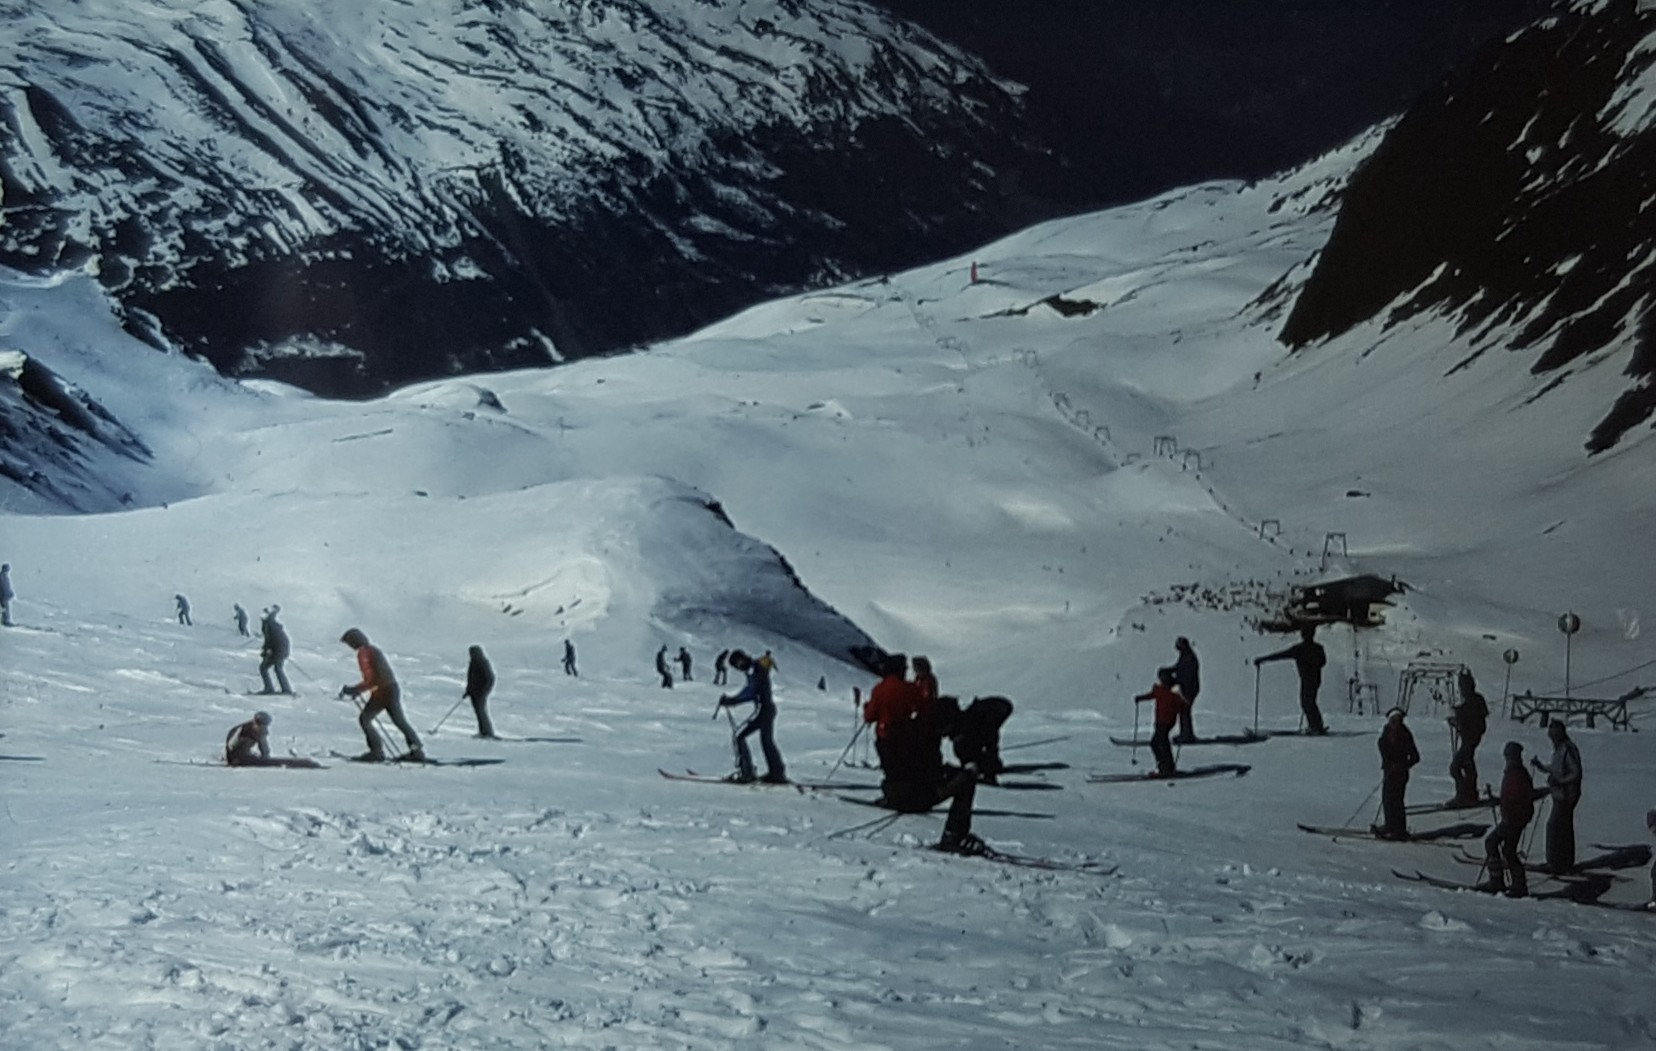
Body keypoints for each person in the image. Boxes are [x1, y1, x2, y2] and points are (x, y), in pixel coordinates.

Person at [862, 653, 987, 855]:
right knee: (961, 779)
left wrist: (869, 709)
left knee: (893, 763)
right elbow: (924, 707)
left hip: (887, 738)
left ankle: (891, 794)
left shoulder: (879, 689)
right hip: (916, 783)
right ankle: (954, 836)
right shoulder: (913, 691)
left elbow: (869, 716)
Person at [339, 628, 423, 762]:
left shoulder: (364, 653)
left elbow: (372, 679)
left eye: (349, 642)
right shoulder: (372, 650)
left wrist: (354, 690)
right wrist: (358, 689)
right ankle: (416, 750)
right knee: (399, 721)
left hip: (383, 691)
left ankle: (376, 751)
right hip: (390, 689)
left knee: (365, 719)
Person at [718, 649, 785, 783]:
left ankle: (748, 772)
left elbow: (750, 692)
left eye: (738, 664)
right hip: (767, 710)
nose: (738, 667)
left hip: (764, 712)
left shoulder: (756, 670)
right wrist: (733, 700)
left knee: (740, 737)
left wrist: (732, 700)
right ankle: (777, 773)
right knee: (767, 741)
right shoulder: (756, 668)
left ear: (742, 659)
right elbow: (751, 691)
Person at [1482, 741, 1536, 897]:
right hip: (1515, 817)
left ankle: (1497, 881)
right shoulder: (1516, 772)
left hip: (1513, 818)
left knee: (1492, 842)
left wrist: (1506, 806)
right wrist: (1498, 800)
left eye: (1509, 756)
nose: (1507, 759)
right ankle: (1518, 884)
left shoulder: (1516, 774)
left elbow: (1517, 797)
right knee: (1508, 850)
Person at [1254, 626, 1328, 734]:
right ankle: (1316, 725)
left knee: (1307, 702)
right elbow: (1323, 662)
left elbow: (1280, 655)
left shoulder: (1299, 649)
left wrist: (1262, 659)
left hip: (1307, 679)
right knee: (1309, 702)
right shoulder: (1318, 648)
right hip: (1315, 679)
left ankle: (1316, 727)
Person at [1531, 720, 1582, 873]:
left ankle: (1555, 862)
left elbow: (1576, 772)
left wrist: (1560, 781)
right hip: (1560, 793)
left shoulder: (1567, 749)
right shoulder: (1561, 749)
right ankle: (1564, 862)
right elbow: (1556, 768)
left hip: (1567, 794)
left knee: (1554, 826)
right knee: (1563, 827)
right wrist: (1541, 766)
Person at [1373, 707, 1420, 840]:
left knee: (1396, 801)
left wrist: (1402, 766)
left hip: (1400, 774)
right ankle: (1390, 825)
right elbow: (1383, 748)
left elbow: (1415, 757)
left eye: (1397, 720)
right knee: (1387, 800)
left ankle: (1399, 829)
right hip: (1389, 772)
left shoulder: (1405, 735)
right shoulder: (1386, 732)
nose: (1395, 723)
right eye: (1393, 720)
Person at [943, 695, 1014, 783]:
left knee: (986, 740)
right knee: (975, 744)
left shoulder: (977, 725)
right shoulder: (967, 727)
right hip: (993, 710)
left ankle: (990, 767)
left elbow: (990, 738)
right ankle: (989, 766)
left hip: (996, 709)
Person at [1133, 667, 1189, 777]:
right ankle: (1168, 767)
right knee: (1161, 743)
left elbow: (1183, 706)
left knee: (1157, 743)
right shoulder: (1163, 690)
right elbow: (1151, 695)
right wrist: (1140, 698)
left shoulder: (1172, 692)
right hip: (1161, 721)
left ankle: (1165, 768)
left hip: (1166, 722)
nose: (1162, 679)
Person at [1447, 669, 1489, 805]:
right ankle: (1469, 794)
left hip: (1470, 740)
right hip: (1470, 739)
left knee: (1456, 767)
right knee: (1467, 766)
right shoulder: (1475, 701)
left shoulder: (1474, 701)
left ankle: (1464, 795)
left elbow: (1473, 721)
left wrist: (1458, 721)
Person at [462, 644, 497, 739]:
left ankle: (487, 732)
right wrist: (468, 690)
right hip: (474, 693)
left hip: (480, 693)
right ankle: (483, 731)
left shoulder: (482, 663)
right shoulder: (473, 663)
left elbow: (490, 678)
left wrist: (483, 691)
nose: (471, 655)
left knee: (481, 712)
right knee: (478, 712)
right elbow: (471, 679)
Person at [258, 605, 292, 695]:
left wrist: (266, 652)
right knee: (275, 668)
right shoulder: (270, 624)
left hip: (279, 650)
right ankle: (285, 689)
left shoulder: (269, 625)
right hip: (281, 649)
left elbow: (270, 640)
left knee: (266, 668)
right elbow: (269, 641)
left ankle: (272, 688)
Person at [1173, 636, 1201, 742]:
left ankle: (1187, 735)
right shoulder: (1185, 655)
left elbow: (1187, 673)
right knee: (1184, 710)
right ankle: (1185, 733)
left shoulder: (1189, 657)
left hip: (1190, 688)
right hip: (1186, 687)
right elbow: (1179, 668)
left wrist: (1177, 679)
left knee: (1184, 710)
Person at [0, 562, 13, 627]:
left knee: (7, 609)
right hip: (3, 596)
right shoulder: (1, 576)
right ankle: (5, 621)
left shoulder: (5, 576)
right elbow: (2, 587)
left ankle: (6, 620)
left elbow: (8, 586)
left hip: (6, 596)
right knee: (5, 609)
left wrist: (11, 592)